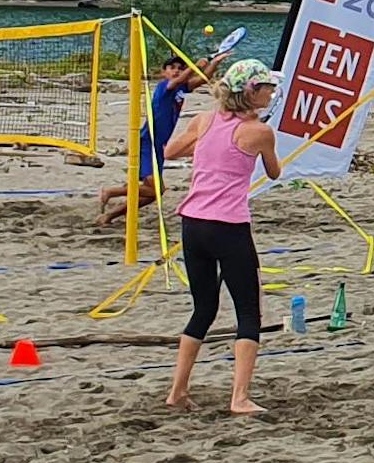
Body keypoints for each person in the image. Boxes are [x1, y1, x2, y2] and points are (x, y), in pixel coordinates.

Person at [163, 58, 281, 416]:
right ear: (252, 91)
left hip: (193, 222)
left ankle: (177, 391)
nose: (272, 92)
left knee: (204, 308)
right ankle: (240, 397)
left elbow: (170, 151)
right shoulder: (259, 131)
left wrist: (205, 147)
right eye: (267, 87)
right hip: (228, 226)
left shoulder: (204, 121)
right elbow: (274, 172)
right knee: (249, 312)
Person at [102, 57, 207, 230]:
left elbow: (202, 79)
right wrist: (195, 67)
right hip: (147, 143)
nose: (176, 71)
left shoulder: (181, 89)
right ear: (163, 72)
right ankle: (112, 191)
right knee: (157, 190)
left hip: (158, 147)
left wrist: (216, 61)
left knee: (152, 194)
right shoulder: (164, 87)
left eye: (180, 68)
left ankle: (110, 216)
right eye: (172, 67)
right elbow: (180, 79)